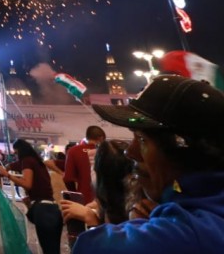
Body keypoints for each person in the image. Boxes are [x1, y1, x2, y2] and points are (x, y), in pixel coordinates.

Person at [73, 75, 224, 254]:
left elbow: (90, 246)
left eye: (143, 140)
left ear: (180, 150)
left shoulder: (182, 235)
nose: (131, 152)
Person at [61, 139, 133, 246]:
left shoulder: (133, 213)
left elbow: (113, 246)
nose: (91, 173)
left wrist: (91, 221)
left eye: (93, 167)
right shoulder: (132, 202)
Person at [0, 138, 63, 254]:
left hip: (42, 211)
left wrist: (7, 175)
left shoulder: (27, 161)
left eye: (16, 153)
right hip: (53, 208)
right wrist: (8, 167)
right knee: (54, 250)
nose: (16, 156)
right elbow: (15, 165)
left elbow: (27, 184)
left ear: (20, 151)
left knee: (48, 250)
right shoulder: (36, 162)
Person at [64, 125, 106, 204]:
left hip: (83, 199)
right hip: (103, 201)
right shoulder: (106, 152)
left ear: (87, 137)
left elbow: (68, 179)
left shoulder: (73, 151)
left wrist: (75, 196)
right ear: (101, 138)